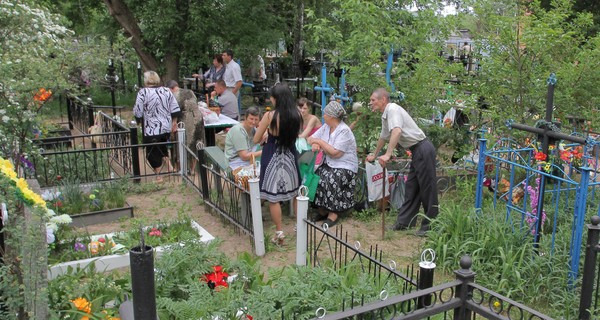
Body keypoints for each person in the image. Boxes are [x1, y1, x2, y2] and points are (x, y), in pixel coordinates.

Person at [366, 88, 438, 237]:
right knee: (412, 187)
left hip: (423, 148)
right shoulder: (385, 115)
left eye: (373, 100)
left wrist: (388, 154)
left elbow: (397, 131)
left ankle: (431, 226)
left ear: (383, 100)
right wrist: (375, 154)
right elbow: (384, 136)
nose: (370, 103)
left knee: (427, 188)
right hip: (417, 151)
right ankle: (405, 222)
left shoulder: (392, 109)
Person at [253, 83, 302, 245]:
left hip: (273, 155)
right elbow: (296, 135)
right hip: (290, 156)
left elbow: (255, 139)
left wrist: (267, 134)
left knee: (273, 197)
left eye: (272, 98)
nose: (270, 100)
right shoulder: (297, 115)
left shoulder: (270, 116)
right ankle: (299, 227)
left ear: (276, 99)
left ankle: (279, 232)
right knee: (295, 192)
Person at [307, 101, 358, 227]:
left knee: (331, 179)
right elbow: (310, 138)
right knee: (315, 177)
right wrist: (315, 143)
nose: (323, 116)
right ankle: (322, 210)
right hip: (329, 163)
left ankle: (333, 213)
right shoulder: (326, 127)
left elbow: (335, 153)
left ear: (332, 117)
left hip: (345, 165)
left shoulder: (344, 131)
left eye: (325, 114)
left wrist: (318, 141)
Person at [134, 71, 181, 183]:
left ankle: (159, 176)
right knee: (162, 146)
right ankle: (170, 168)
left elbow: (138, 111)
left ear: (146, 80)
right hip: (165, 127)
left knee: (152, 152)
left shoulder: (143, 92)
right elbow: (175, 108)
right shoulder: (165, 90)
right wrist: (174, 123)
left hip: (151, 128)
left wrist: (138, 120)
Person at [166, 80, 204, 171]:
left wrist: (173, 123)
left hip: (187, 120)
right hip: (198, 118)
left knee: (183, 143)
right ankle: (193, 168)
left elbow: (175, 111)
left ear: (171, 89)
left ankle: (179, 167)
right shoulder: (190, 92)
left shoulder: (176, 95)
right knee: (197, 142)